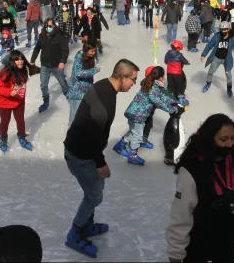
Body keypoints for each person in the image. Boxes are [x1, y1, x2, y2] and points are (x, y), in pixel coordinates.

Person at [63, 59, 139, 258]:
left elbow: (95, 129)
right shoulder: (104, 102)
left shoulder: (104, 86)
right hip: (80, 155)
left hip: (84, 150)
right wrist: (100, 163)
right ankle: (75, 233)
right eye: (133, 80)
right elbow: (90, 133)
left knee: (96, 190)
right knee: (94, 195)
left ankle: (87, 224)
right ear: (122, 78)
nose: (133, 85)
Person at [167, 114, 234, 263]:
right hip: (197, 244)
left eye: (232, 138)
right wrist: (176, 252)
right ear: (209, 139)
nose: (229, 144)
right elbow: (181, 213)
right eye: (223, 140)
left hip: (227, 242)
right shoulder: (192, 168)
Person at [113, 66, 178, 166]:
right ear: (159, 77)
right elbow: (158, 101)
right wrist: (172, 109)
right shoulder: (152, 88)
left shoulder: (150, 84)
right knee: (137, 135)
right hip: (138, 115)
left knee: (133, 132)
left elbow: (162, 96)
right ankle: (133, 157)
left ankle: (119, 145)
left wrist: (174, 101)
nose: (163, 78)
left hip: (135, 113)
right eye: (162, 76)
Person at [0, 50, 32, 152]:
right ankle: (3, 138)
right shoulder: (6, 73)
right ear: (12, 61)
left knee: (20, 120)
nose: (20, 62)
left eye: (21, 59)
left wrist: (21, 97)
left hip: (18, 101)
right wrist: (9, 92)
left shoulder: (23, 70)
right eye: (17, 60)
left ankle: (21, 136)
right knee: (5, 121)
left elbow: (22, 87)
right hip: (5, 102)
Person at [201, 21, 234, 97]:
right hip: (216, 58)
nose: (223, 31)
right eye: (222, 29)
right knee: (210, 72)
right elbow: (209, 45)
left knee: (228, 75)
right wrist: (203, 54)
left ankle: (229, 88)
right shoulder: (217, 36)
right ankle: (208, 84)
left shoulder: (232, 38)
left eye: (225, 29)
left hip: (227, 60)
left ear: (228, 29)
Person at [30, 18, 69, 113]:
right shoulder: (42, 35)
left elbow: (65, 49)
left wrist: (63, 61)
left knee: (62, 82)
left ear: (54, 26)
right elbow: (37, 48)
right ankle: (46, 101)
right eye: (47, 26)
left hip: (57, 64)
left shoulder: (59, 35)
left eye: (50, 26)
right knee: (43, 85)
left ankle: (68, 94)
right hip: (45, 64)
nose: (49, 27)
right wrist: (32, 60)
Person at [67, 42, 100, 128]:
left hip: (86, 92)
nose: (93, 53)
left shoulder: (89, 58)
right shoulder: (79, 58)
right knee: (74, 117)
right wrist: (94, 70)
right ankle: (70, 138)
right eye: (92, 51)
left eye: (94, 52)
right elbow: (78, 73)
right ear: (86, 50)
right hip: (77, 93)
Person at [165, 40, 190, 105]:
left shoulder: (167, 53)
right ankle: (181, 99)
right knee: (181, 84)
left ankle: (169, 98)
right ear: (178, 48)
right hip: (177, 73)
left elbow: (165, 61)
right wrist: (187, 63)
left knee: (170, 85)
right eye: (180, 49)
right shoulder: (179, 54)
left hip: (169, 73)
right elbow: (185, 61)